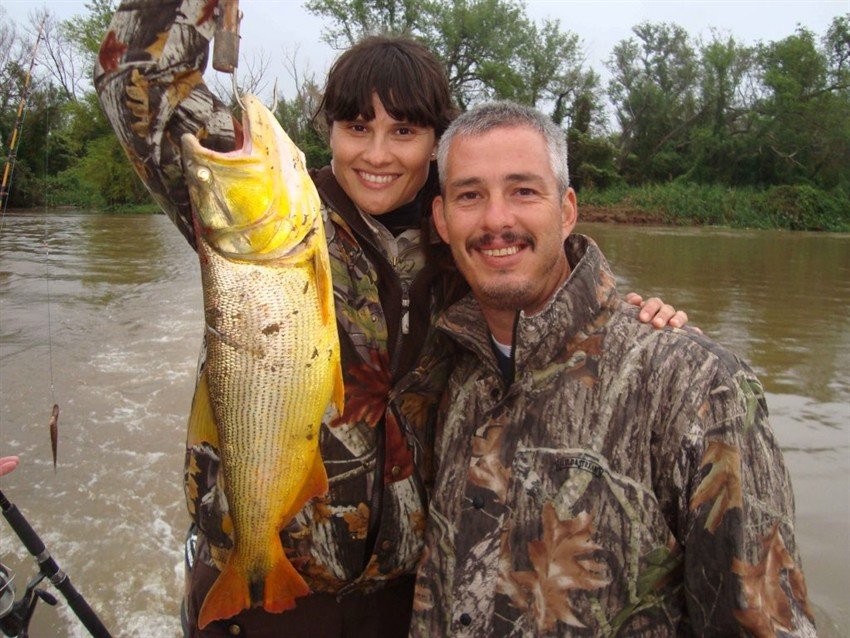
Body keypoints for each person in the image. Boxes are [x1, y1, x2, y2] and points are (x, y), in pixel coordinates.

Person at [95, 2, 685, 635]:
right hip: (255, 594)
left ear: (436, 143)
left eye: (404, 131)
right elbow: (134, 78)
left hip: (405, 602)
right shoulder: (261, 199)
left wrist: (643, 326)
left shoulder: (469, 237)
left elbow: (558, 293)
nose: (377, 154)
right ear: (328, 131)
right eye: (356, 127)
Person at [410, 101, 816, 637]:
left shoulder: (696, 384)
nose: (496, 220)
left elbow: (764, 623)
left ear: (567, 210)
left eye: (524, 191)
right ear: (442, 220)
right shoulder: (448, 369)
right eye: (470, 195)